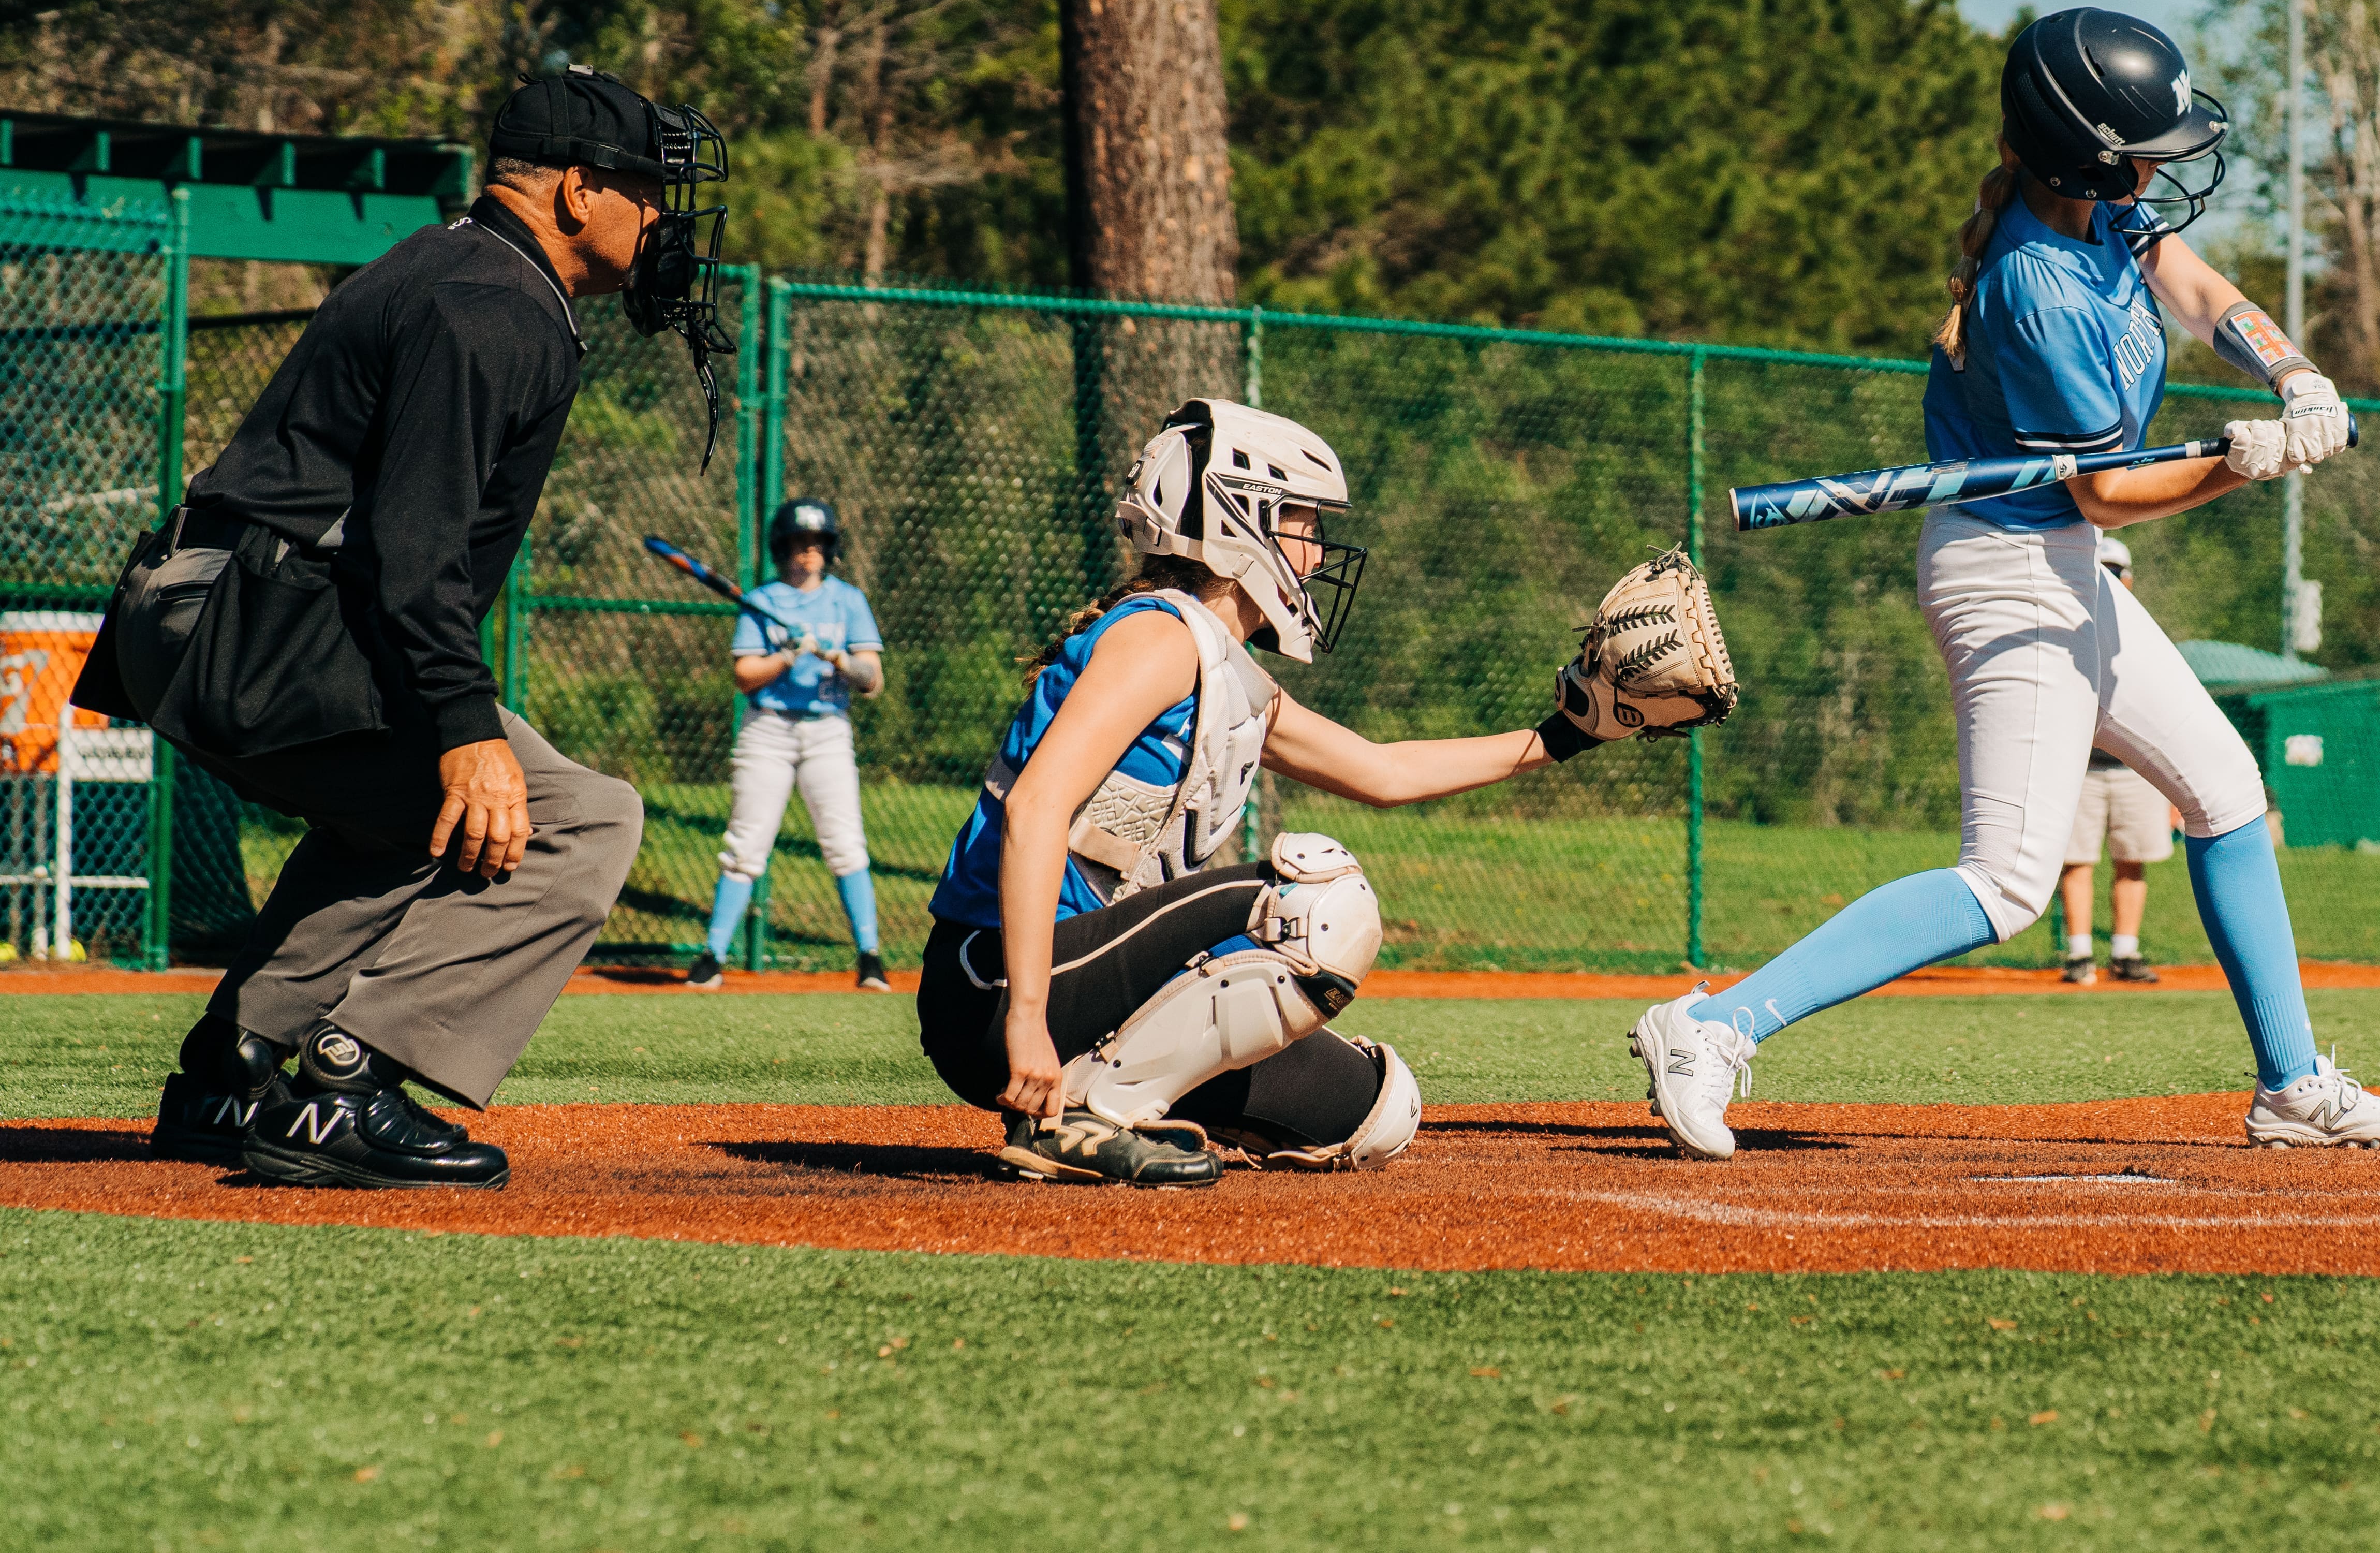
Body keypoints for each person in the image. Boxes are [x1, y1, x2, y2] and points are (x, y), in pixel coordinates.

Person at [1627, 8, 2380, 1160]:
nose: (2162, 167)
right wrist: (2237, 464)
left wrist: (2292, 373)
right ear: (2082, 153)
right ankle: (1710, 1026)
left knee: (2225, 789)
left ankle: (2293, 1084)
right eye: (2144, 146)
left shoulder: (2098, 211)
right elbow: (2104, 494)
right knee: (2007, 883)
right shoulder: (2034, 285)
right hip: (2008, 569)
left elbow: (2199, 293)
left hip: (2064, 565)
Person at [80, 70, 726, 1186]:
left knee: (396, 818)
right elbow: (411, 550)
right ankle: (351, 1081)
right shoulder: (494, 303)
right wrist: (464, 726)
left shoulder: (452, 262)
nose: (661, 217)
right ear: (578, 191)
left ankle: (233, 1069)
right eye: (644, 190)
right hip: (258, 622)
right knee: (582, 818)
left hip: (207, 604)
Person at [923, 397, 1730, 1184]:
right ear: (1238, 516)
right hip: (994, 985)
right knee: (1317, 899)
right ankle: (1086, 1115)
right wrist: (1027, 1018)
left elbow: (1383, 772)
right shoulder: (1159, 637)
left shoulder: (1221, 668)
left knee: (1377, 1109)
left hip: (1081, 983)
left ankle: (1121, 1092)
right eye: (1304, 521)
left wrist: (1571, 732)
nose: (1315, 549)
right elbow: (1035, 808)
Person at [687, 500, 889, 991]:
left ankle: (870, 957)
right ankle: (713, 956)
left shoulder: (847, 601)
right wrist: (786, 655)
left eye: (817, 543)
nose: (809, 552)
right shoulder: (765, 599)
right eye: (800, 544)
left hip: (827, 730)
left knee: (845, 844)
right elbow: (745, 675)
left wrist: (837, 657)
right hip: (769, 729)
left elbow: (873, 680)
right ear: (783, 548)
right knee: (746, 844)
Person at [2056, 530, 2172, 985]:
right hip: (2078, 769)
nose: (2106, 581)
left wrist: (2169, 786)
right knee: (2076, 861)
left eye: (2113, 573)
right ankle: (2079, 955)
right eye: (2097, 573)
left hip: (2135, 770)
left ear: (2129, 580)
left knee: (2132, 860)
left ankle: (2125, 952)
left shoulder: (2147, 638)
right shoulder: (2064, 632)